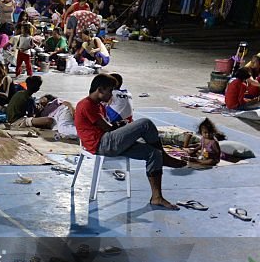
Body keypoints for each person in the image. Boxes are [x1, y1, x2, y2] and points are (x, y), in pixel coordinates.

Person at [74, 74, 185, 210]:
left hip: (109, 141)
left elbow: (110, 125)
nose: (112, 95)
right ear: (100, 90)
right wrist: (123, 126)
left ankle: (157, 197)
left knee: (154, 153)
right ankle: (166, 157)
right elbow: (108, 127)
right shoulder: (86, 105)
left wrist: (122, 125)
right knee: (145, 123)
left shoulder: (99, 106)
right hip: (101, 144)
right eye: (110, 91)